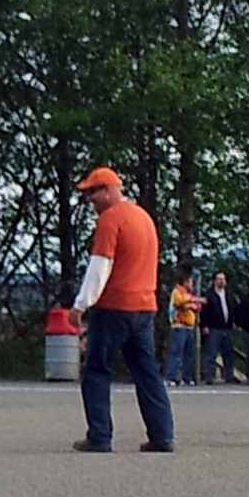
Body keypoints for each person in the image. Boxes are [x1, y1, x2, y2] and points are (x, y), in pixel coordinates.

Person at [68, 166, 174, 453]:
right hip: (145, 307)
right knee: (146, 371)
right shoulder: (144, 218)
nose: (90, 199)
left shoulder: (110, 219)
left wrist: (80, 305)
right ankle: (162, 434)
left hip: (114, 307)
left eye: (93, 192)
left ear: (108, 190)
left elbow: (100, 266)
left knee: (97, 370)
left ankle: (100, 436)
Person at [197, 273, 237, 385]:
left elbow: (234, 309)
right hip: (213, 328)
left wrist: (235, 323)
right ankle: (209, 376)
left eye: (223, 279)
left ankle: (229, 375)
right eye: (219, 279)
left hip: (227, 328)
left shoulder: (229, 294)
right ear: (214, 281)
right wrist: (204, 325)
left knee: (228, 353)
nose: (221, 281)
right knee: (211, 353)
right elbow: (203, 312)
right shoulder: (208, 295)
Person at [166, 269, 201, 386]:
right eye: (190, 282)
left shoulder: (190, 293)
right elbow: (179, 302)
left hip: (189, 326)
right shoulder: (177, 292)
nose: (192, 284)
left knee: (189, 354)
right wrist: (191, 301)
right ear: (185, 282)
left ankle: (187, 377)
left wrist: (190, 303)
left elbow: (197, 306)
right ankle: (170, 377)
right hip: (179, 325)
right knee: (176, 352)